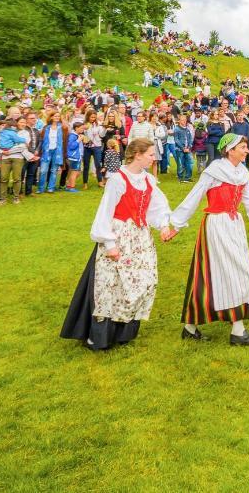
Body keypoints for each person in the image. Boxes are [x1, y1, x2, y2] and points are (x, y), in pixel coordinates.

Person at [59, 138, 174, 351]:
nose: (153, 158)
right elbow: (105, 211)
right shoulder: (118, 180)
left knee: (144, 281)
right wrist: (110, 243)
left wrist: (164, 226)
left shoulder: (148, 180)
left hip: (140, 237)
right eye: (150, 154)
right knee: (111, 284)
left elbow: (157, 207)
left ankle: (124, 331)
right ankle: (101, 336)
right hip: (119, 234)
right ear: (137, 155)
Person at [170, 133, 249, 346]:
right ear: (230, 150)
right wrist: (177, 224)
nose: (247, 150)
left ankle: (191, 328)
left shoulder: (242, 174)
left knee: (232, 273)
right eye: (242, 147)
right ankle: (237, 331)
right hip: (216, 225)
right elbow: (194, 196)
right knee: (227, 273)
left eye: (247, 147)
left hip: (234, 225)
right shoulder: (214, 171)